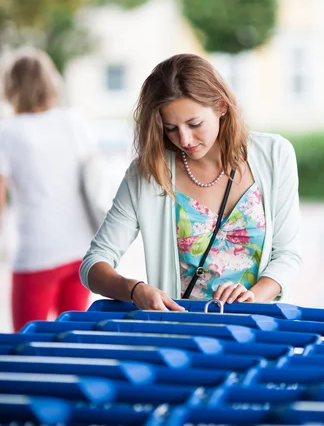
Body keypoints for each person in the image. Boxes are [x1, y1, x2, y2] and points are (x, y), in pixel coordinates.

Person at [80, 54, 302, 310]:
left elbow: (287, 255)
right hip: (185, 333)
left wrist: (252, 298)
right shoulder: (148, 174)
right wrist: (134, 290)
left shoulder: (275, 155)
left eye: (194, 124)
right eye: (170, 128)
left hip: (261, 329)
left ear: (221, 106)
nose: (184, 140)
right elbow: (93, 264)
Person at [0, 48, 95, 331]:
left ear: (11, 86)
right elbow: (93, 181)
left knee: (27, 346)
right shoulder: (74, 122)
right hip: (81, 250)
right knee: (73, 337)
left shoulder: (8, 132)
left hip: (36, 254)